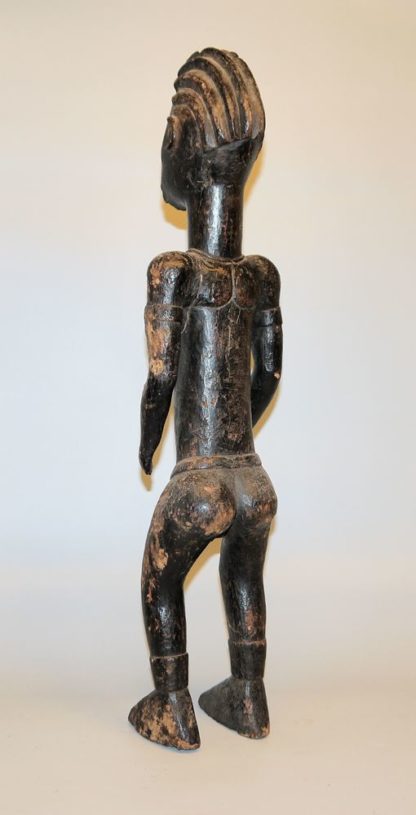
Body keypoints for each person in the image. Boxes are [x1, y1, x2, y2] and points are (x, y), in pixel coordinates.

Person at [129, 47, 283, 750]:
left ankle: (173, 705)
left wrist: (148, 443)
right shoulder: (261, 275)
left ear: (183, 149)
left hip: (199, 483)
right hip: (254, 481)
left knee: (159, 577)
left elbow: (161, 377)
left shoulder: (173, 271)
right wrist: (238, 439)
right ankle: (248, 695)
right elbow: (267, 375)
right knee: (243, 574)